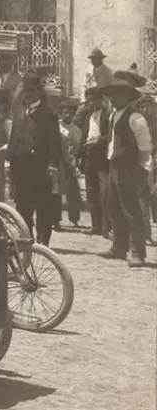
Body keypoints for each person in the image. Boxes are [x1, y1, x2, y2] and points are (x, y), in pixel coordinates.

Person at [100, 69, 152, 267]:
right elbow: (112, 142)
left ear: (128, 96)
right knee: (113, 207)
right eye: (111, 94)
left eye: (117, 94)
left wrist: (143, 170)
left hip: (130, 169)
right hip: (115, 166)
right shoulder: (114, 115)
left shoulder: (136, 118)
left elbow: (145, 147)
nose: (113, 98)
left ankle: (138, 252)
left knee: (131, 210)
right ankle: (118, 247)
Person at [5, 72, 62, 247]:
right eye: (26, 90)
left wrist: (52, 166)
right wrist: (9, 163)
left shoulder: (49, 115)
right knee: (22, 207)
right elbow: (13, 139)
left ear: (39, 92)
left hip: (40, 169)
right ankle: (26, 240)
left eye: (32, 90)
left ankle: (42, 243)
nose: (29, 94)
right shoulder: (19, 113)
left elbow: (55, 144)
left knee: (43, 207)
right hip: (20, 169)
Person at [76, 86, 112, 237]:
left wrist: (98, 141)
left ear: (101, 100)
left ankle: (106, 228)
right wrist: (78, 155)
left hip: (103, 159)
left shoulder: (108, 116)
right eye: (87, 101)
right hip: (89, 158)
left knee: (105, 193)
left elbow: (111, 136)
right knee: (91, 193)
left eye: (92, 101)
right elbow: (83, 137)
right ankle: (95, 226)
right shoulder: (87, 117)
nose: (89, 104)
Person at [55, 96, 83, 229]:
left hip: (69, 162)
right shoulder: (55, 126)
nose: (68, 115)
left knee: (72, 192)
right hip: (57, 161)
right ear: (60, 113)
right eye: (65, 113)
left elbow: (77, 147)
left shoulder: (75, 130)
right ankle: (55, 219)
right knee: (56, 191)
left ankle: (74, 218)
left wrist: (72, 160)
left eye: (71, 113)